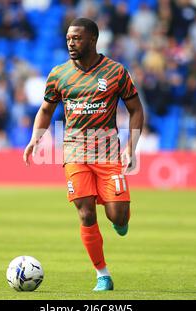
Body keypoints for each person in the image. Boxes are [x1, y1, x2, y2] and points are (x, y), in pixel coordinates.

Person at [23, 18, 144, 291]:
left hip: (108, 154)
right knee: (86, 214)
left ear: (92, 39)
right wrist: (35, 139)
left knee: (119, 216)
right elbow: (45, 110)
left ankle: (118, 217)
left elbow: (136, 109)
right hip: (74, 152)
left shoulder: (115, 72)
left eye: (76, 38)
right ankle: (103, 274)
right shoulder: (59, 74)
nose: (71, 42)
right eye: (68, 38)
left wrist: (131, 147)